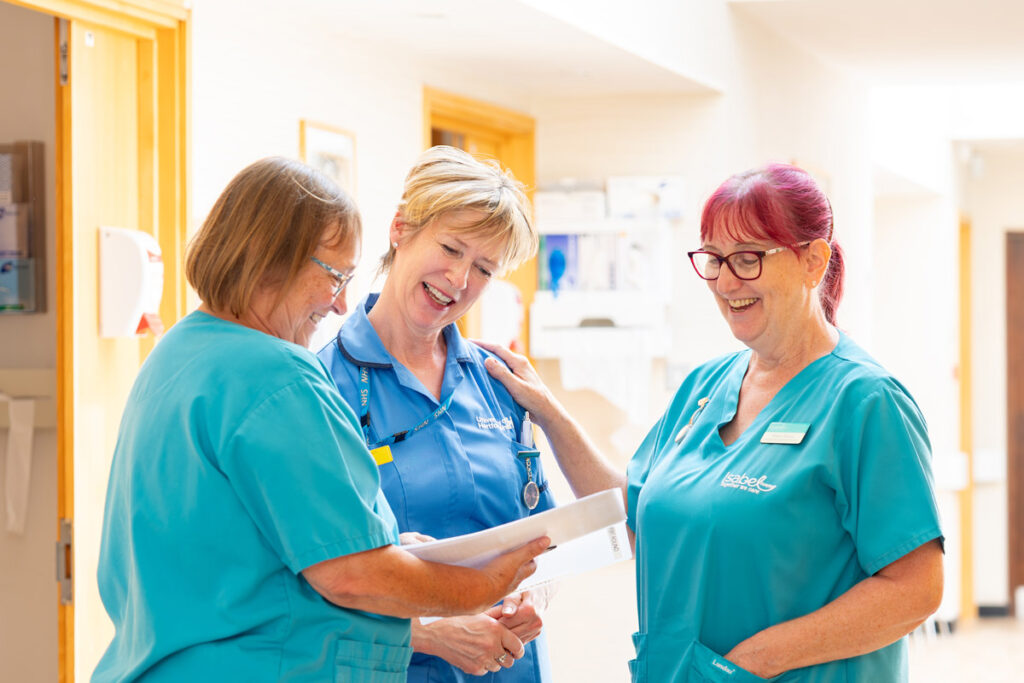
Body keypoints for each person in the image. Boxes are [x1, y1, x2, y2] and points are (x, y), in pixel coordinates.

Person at [479, 163, 944, 682]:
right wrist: (548, 410)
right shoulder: (705, 387)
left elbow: (915, 589)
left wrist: (748, 665)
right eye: (714, 259)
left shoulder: (865, 402)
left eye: (747, 259)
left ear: (813, 261)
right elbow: (633, 516)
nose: (724, 281)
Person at [92, 157, 548, 682]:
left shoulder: (178, 353)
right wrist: (484, 585)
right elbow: (352, 575)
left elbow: (244, 549)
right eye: (335, 277)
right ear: (270, 257)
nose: (340, 303)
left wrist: (395, 549)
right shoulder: (280, 377)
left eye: (485, 268)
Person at [318, 145, 556, 682]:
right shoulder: (322, 385)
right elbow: (305, 581)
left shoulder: (499, 382)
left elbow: (540, 533)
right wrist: (426, 628)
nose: (459, 278)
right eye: (450, 248)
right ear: (400, 228)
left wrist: (534, 597)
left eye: (484, 268)